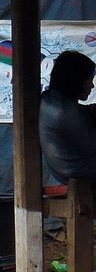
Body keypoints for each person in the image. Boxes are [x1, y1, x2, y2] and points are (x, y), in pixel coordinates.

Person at [40, 50, 96, 185]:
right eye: (89, 80)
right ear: (77, 80)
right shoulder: (64, 112)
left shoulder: (51, 101)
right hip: (80, 173)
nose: (92, 86)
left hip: (65, 172)